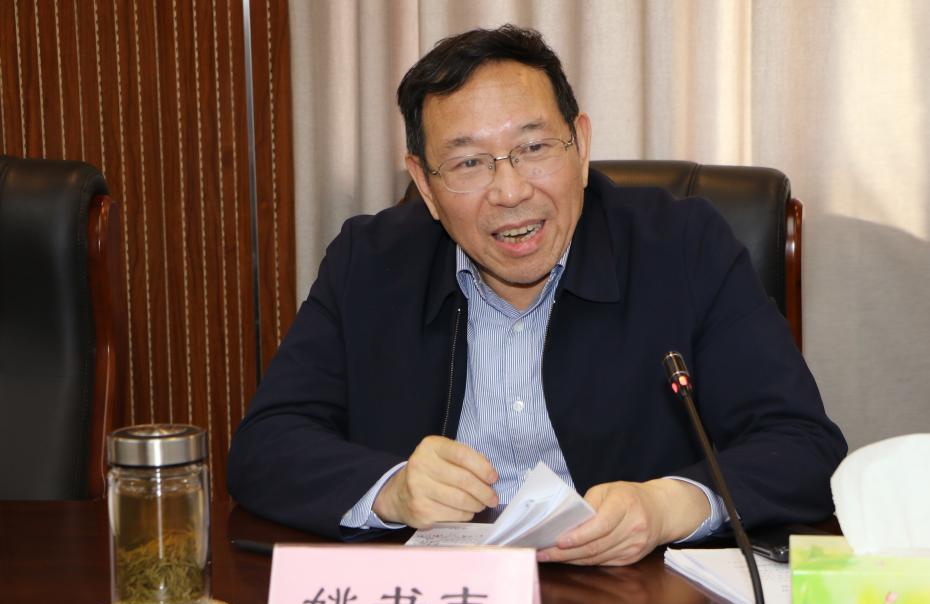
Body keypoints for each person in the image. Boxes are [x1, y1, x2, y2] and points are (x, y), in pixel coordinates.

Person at [227, 24, 846, 566]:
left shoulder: (683, 248)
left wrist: (667, 506)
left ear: (580, 144)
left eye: (533, 148)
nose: (510, 191)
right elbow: (266, 445)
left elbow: (802, 445)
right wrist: (393, 491)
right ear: (425, 183)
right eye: (468, 163)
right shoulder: (369, 262)